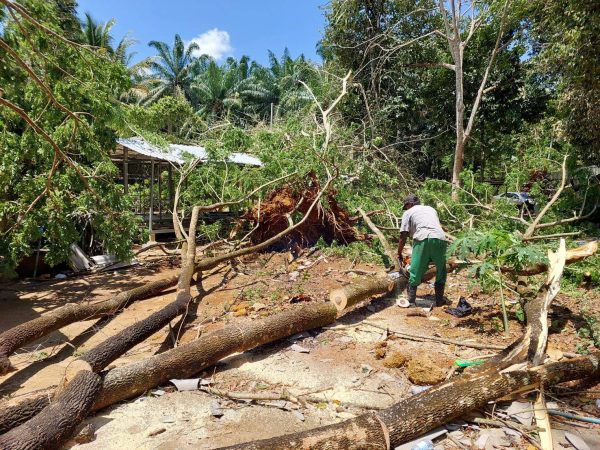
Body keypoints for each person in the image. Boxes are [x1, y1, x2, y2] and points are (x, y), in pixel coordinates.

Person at [397, 194, 447, 306]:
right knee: (441, 269)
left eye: (406, 206)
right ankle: (439, 300)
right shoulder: (431, 209)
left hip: (422, 238)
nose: (406, 208)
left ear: (409, 204)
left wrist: (399, 252)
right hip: (440, 239)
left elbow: (403, 235)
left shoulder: (408, 212)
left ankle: (411, 301)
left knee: (415, 269)